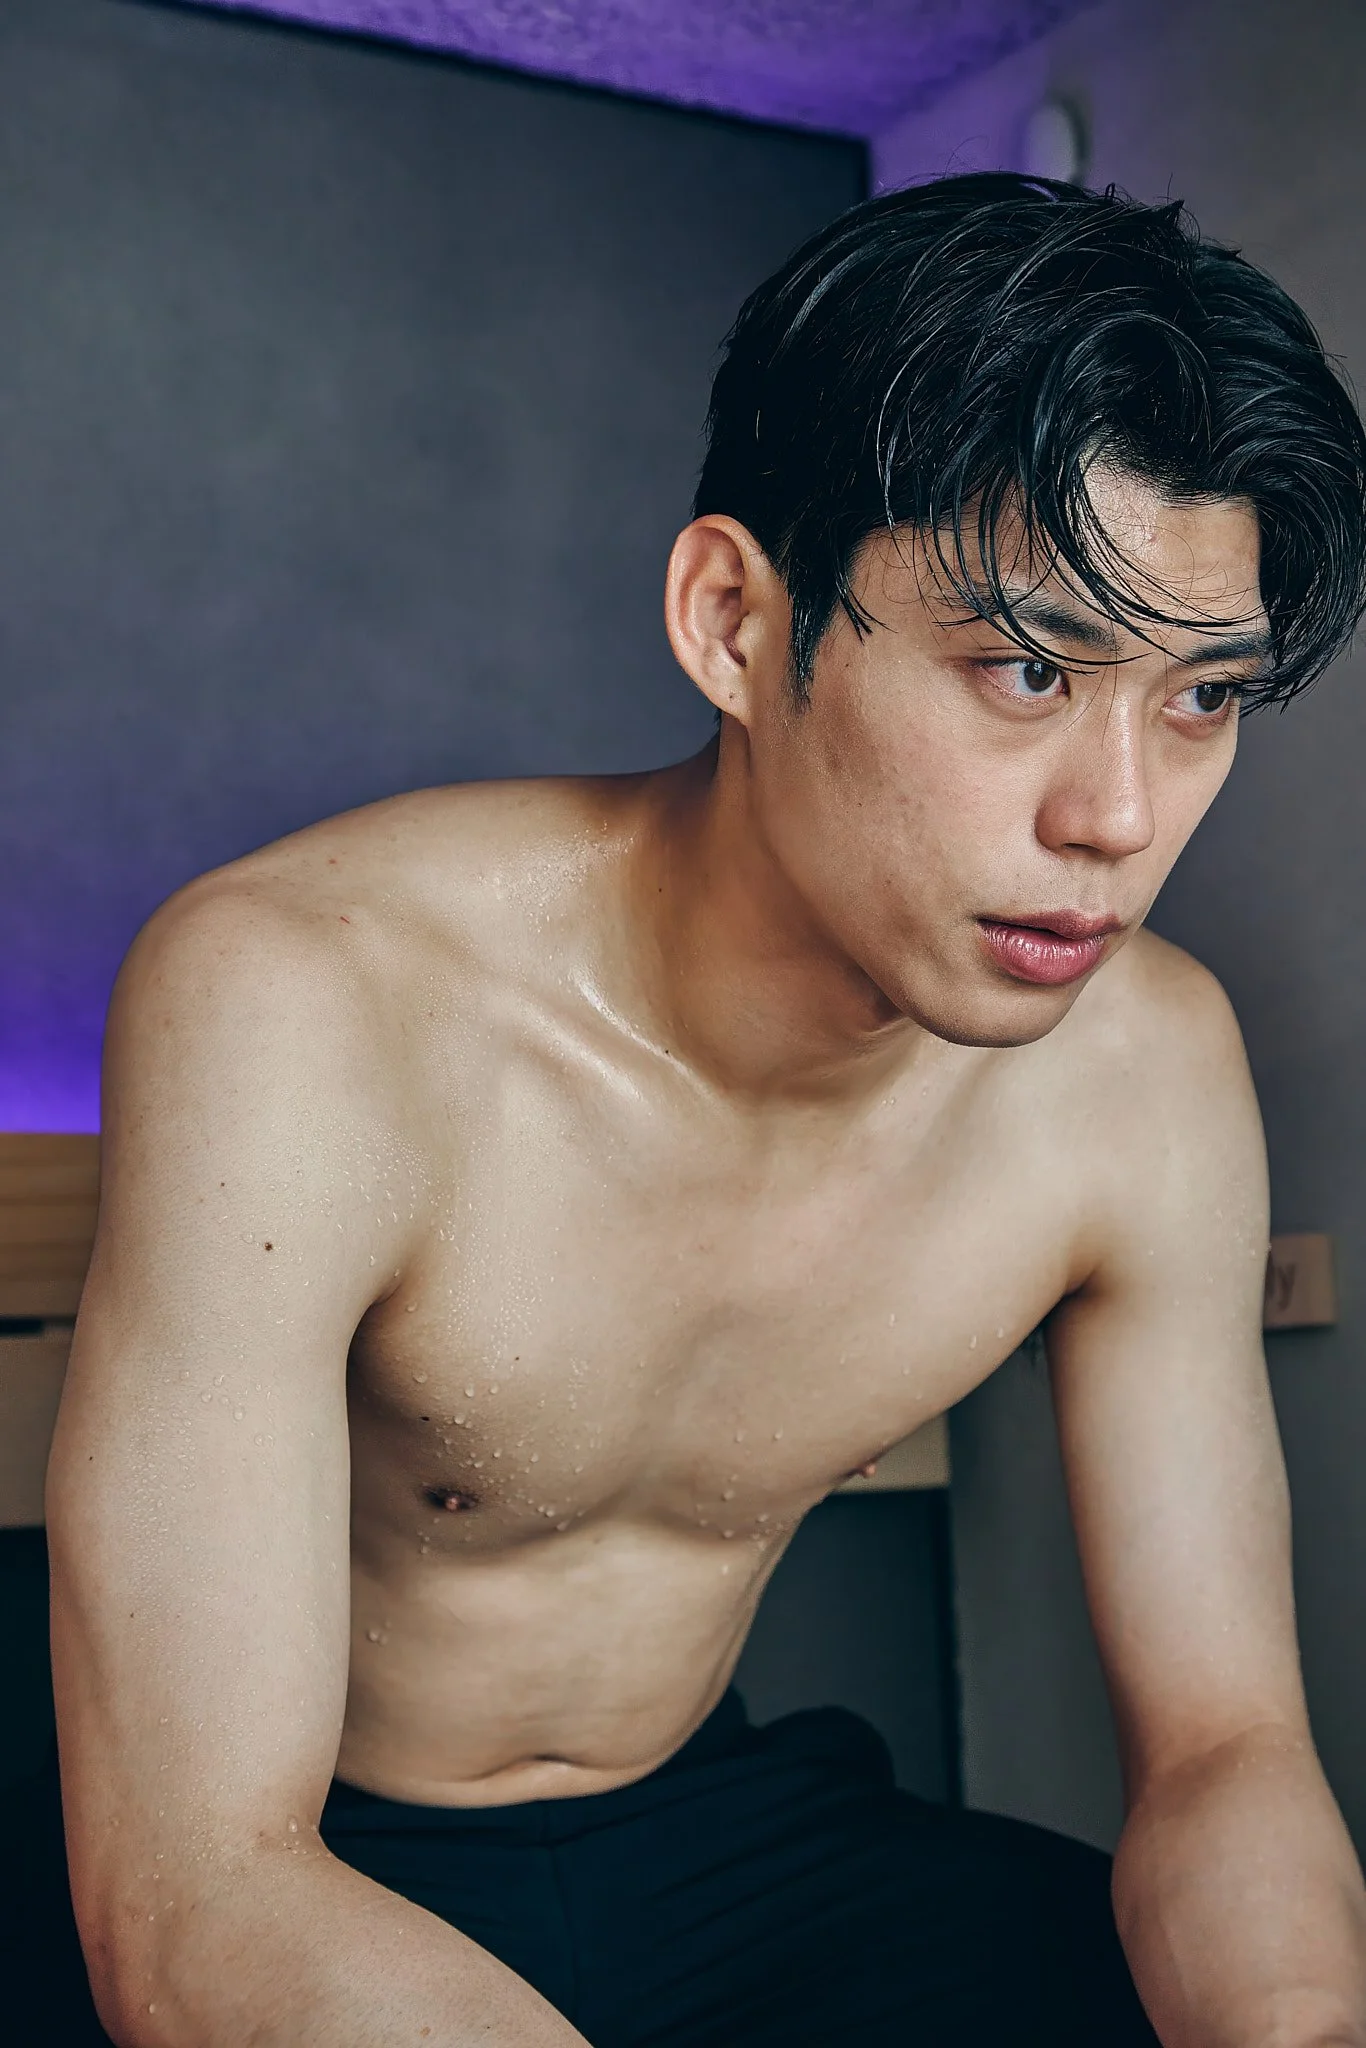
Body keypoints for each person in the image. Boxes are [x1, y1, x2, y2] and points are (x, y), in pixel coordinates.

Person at [45, 173, 1366, 2048]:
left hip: (717, 1833)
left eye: (1201, 700)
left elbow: (1229, 1747)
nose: (1118, 819)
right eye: (1025, 670)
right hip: (271, 1855)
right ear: (737, 621)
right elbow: (192, 1887)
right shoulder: (309, 993)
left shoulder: (1145, 1073)